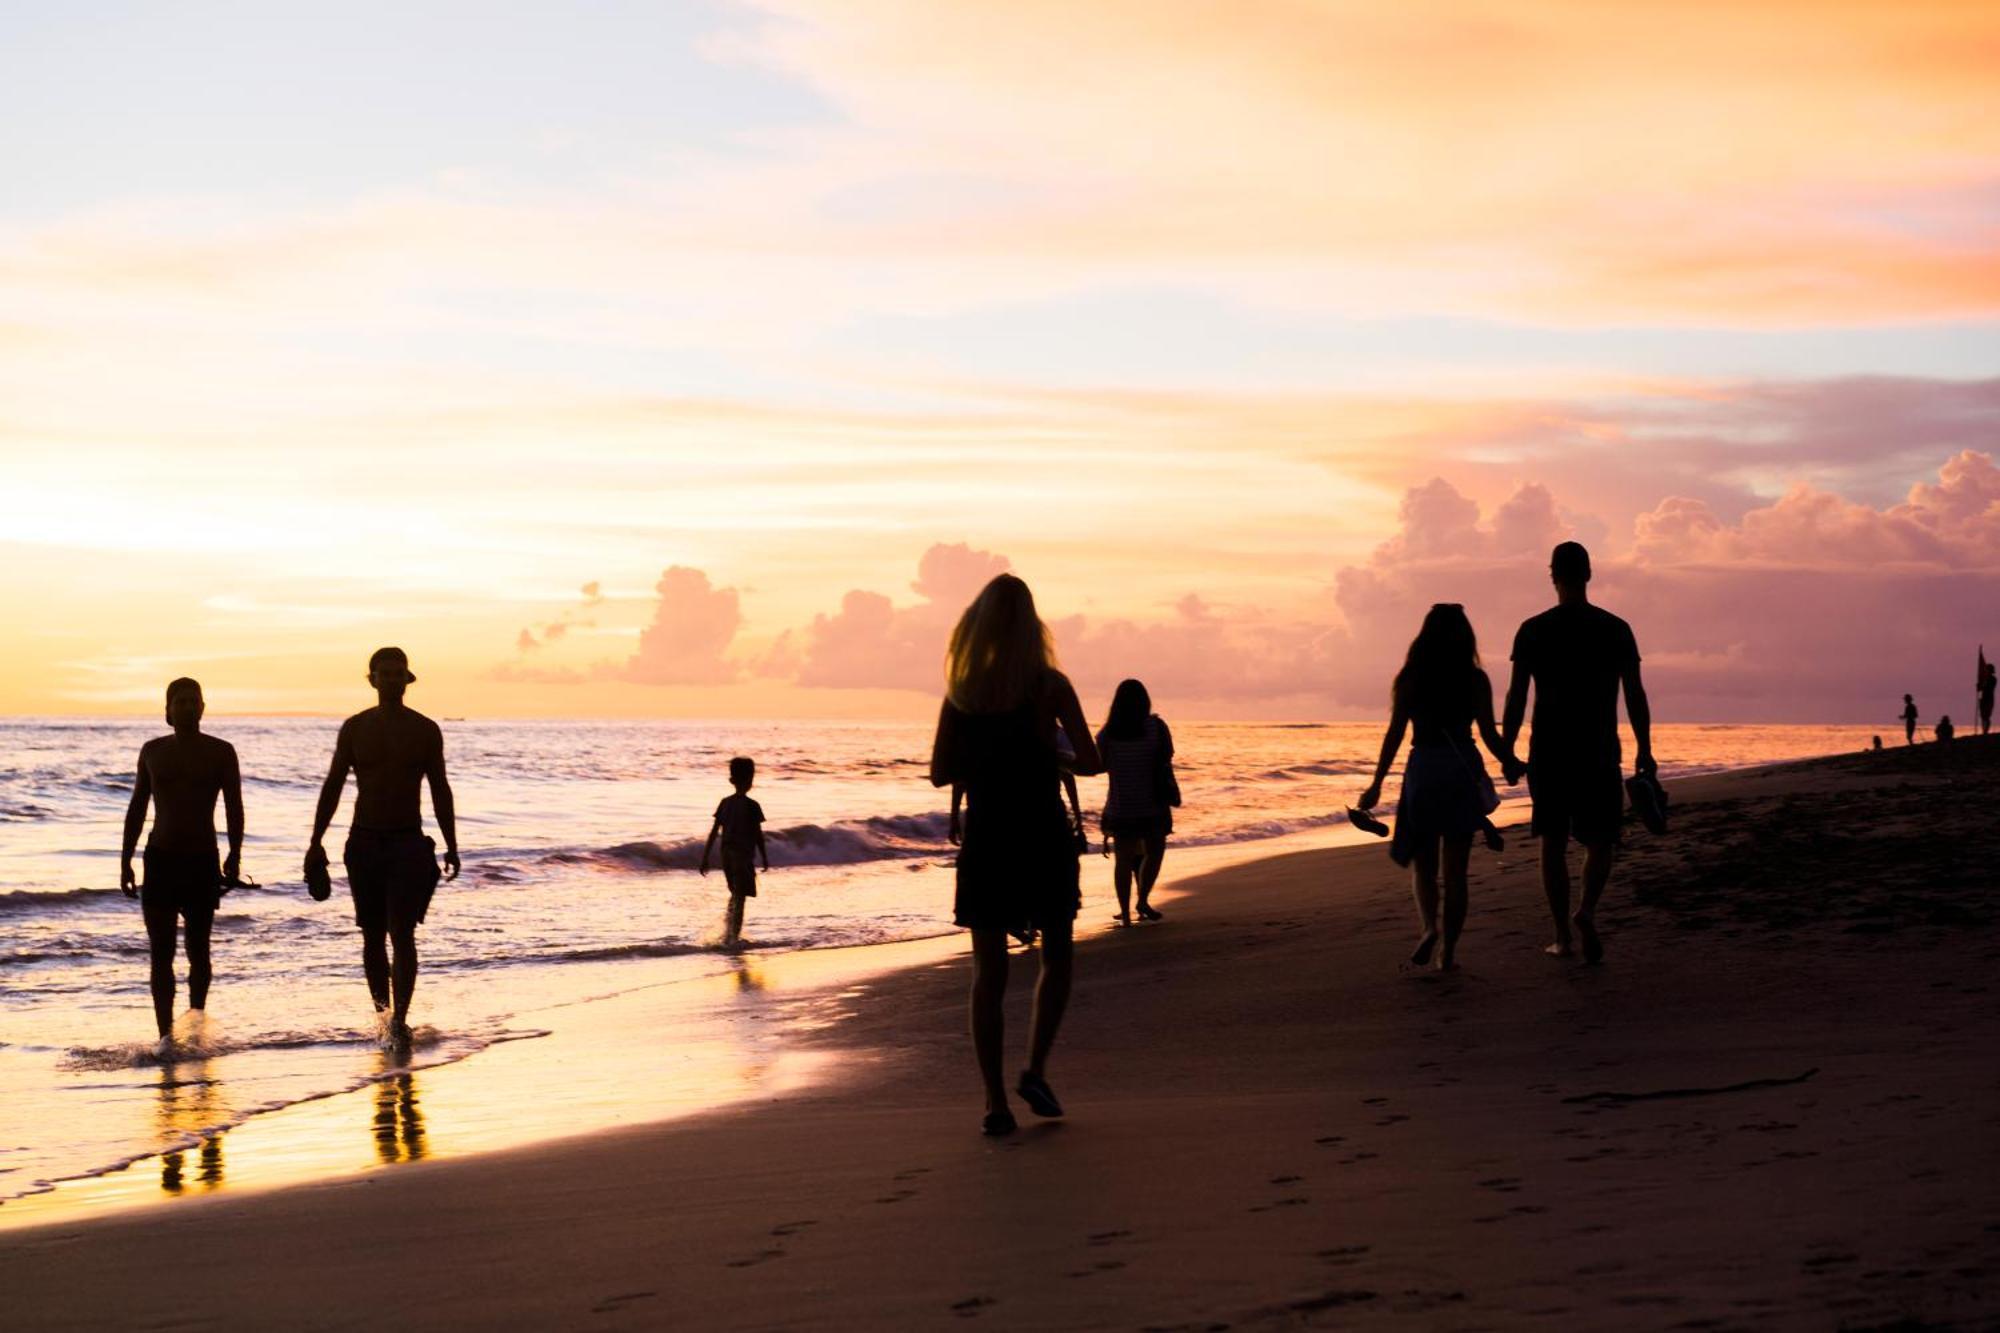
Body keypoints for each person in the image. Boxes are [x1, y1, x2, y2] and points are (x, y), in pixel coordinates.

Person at [929, 573, 1101, 1136]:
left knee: (988, 974)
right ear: (1032, 624)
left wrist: (984, 762)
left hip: (989, 839)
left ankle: (994, 1103)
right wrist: (1046, 756)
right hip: (1043, 834)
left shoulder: (963, 693)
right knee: (1057, 955)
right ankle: (1036, 1068)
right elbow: (1090, 761)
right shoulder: (1051, 686)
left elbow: (939, 774)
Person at [1502, 542, 1654, 965]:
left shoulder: (1532, 629)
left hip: (1549, 750)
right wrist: (1645, 748)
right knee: (1601, 841)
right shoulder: (1616, 628)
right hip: (1599, 749)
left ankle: (1561, 937)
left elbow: (1517, 696)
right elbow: (1635, 694)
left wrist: (1506, 748)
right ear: (1589, 574)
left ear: (1553, 575)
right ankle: (1586, 911)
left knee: (1552, 842)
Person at [305, 647, 460, 1048]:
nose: (391, 679)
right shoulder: (355, 728)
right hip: (364, 841)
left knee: (402, 932)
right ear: (371, 679)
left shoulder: (425, 731)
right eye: (384, 673)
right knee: (372, 935)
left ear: (407, 679)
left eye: (397, 673)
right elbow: (333, 785)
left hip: (408, 841)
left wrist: (452, 843)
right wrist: (315, 841)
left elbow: (440, 788)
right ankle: (384, 1016)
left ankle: (400, 1021)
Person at [1357, 606, 1515, 971]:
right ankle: (1449, 953)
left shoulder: (1411, 677)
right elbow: (1489, 734)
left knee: (1423, 867)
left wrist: (1376, 784)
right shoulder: (1475, 679)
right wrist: (1509, 760)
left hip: (1424, 771)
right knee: (1456, 872)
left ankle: (1429, 928)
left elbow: (1395, 734)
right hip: (1460, 770)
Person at [119, 678, 244, 1047]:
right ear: (168, 711)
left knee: (198, 950)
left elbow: (234, 808)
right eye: (181, 702)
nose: (189, 707)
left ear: (203, 708)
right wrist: (125, 858)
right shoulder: (152, 751)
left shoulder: (221, 752)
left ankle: (195, 1028)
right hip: (160, 859)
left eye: (194, 701)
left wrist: (234, 855)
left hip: (202, 860)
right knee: (161, 952)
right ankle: (165, 1038)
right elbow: (138, 807)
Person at [1095, 679, 1178, 925]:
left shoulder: (1107, 733)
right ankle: (1142, 899)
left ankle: (1126, 915)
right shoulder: (1156, 727)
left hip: (1121, 806)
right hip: (1152, 804)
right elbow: (1168, 756)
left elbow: (1099, 766)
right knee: (1154, 852)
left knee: (1123, 860)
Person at [700, 756, 769, 948]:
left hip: (726, 856)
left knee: (734, 894)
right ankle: (732, 938)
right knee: (740, 897)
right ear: (751, 781)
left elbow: (714, 832)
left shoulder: (725, 803)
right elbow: (758, 835)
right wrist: (764, 856)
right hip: (742, 856)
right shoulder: (752, 806)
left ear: (732, 780)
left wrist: (705, 858)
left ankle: (728, 934)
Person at [1980, 661, 1995, 736]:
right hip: (1984, 699)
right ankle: (1984, 731)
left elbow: (1988, 687)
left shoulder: (1993, 679)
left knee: (1986, 716)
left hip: (1989, 699)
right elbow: (1981, 688)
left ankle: (1985, 731)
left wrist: (1982, 685)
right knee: (1983, 716)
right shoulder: (1985, 679)